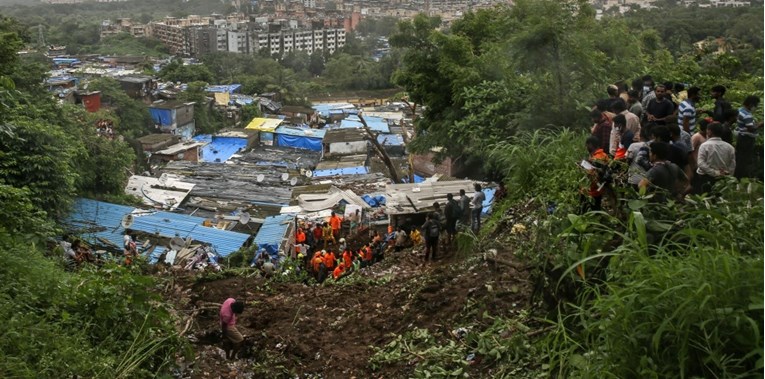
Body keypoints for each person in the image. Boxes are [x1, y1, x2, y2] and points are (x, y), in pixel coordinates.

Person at [694, 122, 736, 194]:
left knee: (705, 197)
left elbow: (701, 163)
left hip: (705, 177)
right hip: (723, 178)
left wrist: (714, 172)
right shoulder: (730, 147)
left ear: (709, 132)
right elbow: (732, 165)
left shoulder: (704, 146)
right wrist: (728, 174)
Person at [735, 95, 761, 179]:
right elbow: (751, 129)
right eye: (755, 105)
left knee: (740, 158)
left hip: (741, 137)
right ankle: (740, 177)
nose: (755, 107)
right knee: (744, 159)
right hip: (747, 139)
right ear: (750, 104)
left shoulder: (740, 110)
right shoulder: (747, 115)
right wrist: (760, 124)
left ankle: (737, 176)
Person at [581, 136, 610, 212]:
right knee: (597, 206)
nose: (586, 147)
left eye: (587, 145)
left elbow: (592, 173)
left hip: (593, 188)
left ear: (590, 145)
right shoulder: (604, 155)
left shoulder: (596, 158)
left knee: (590, 207)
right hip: (600, 187)